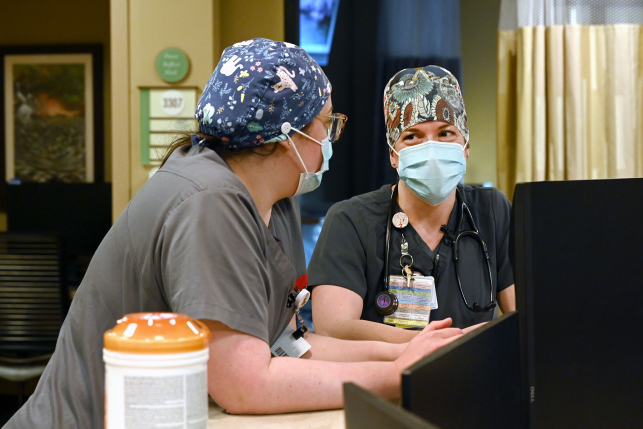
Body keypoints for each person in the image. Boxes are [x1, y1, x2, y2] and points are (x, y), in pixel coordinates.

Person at [5, 41, 473, 428]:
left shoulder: (276, 202)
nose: (330, 139)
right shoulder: (209, 202)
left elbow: (292, 344)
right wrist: (396, 375)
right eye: (326, 124)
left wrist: (407, 352)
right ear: (287, 134)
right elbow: (246, 384)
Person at [308, 66, 516, 344]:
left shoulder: (492, 211)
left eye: (445, 134)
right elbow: (333, 327)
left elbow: (524, 316)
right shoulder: (351, 220)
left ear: (466, 147)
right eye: (412, 136)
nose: (431, 149)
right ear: (393, 155)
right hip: (384, 382)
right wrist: (437, 346)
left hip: (477, 378)